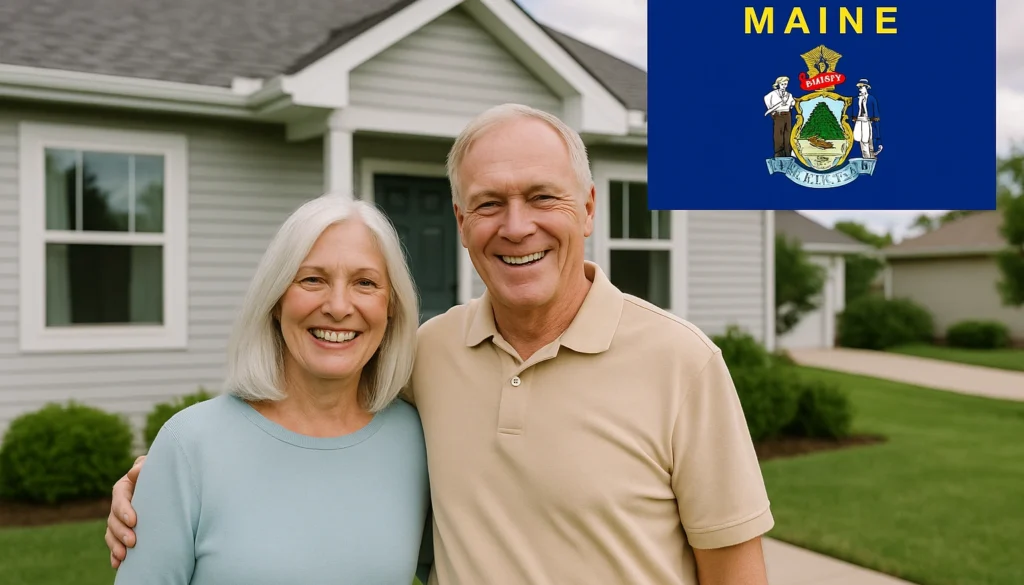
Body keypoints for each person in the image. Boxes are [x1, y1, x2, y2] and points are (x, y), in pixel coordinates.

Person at [106, 104, 774, 584]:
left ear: (589, 208)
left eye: (542, 196)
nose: (516, 226)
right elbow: (298, 436)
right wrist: (159, 480)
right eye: (488, 204)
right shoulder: (429, 359)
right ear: (460, 221)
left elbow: (736, 572)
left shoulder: (682, 362)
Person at [108, 195, 432, 584]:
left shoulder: (419, 439)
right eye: (313, 279)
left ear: (391, 305)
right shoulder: (188, 445)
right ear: (276, 300)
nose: (339, 306)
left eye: (365, 282)